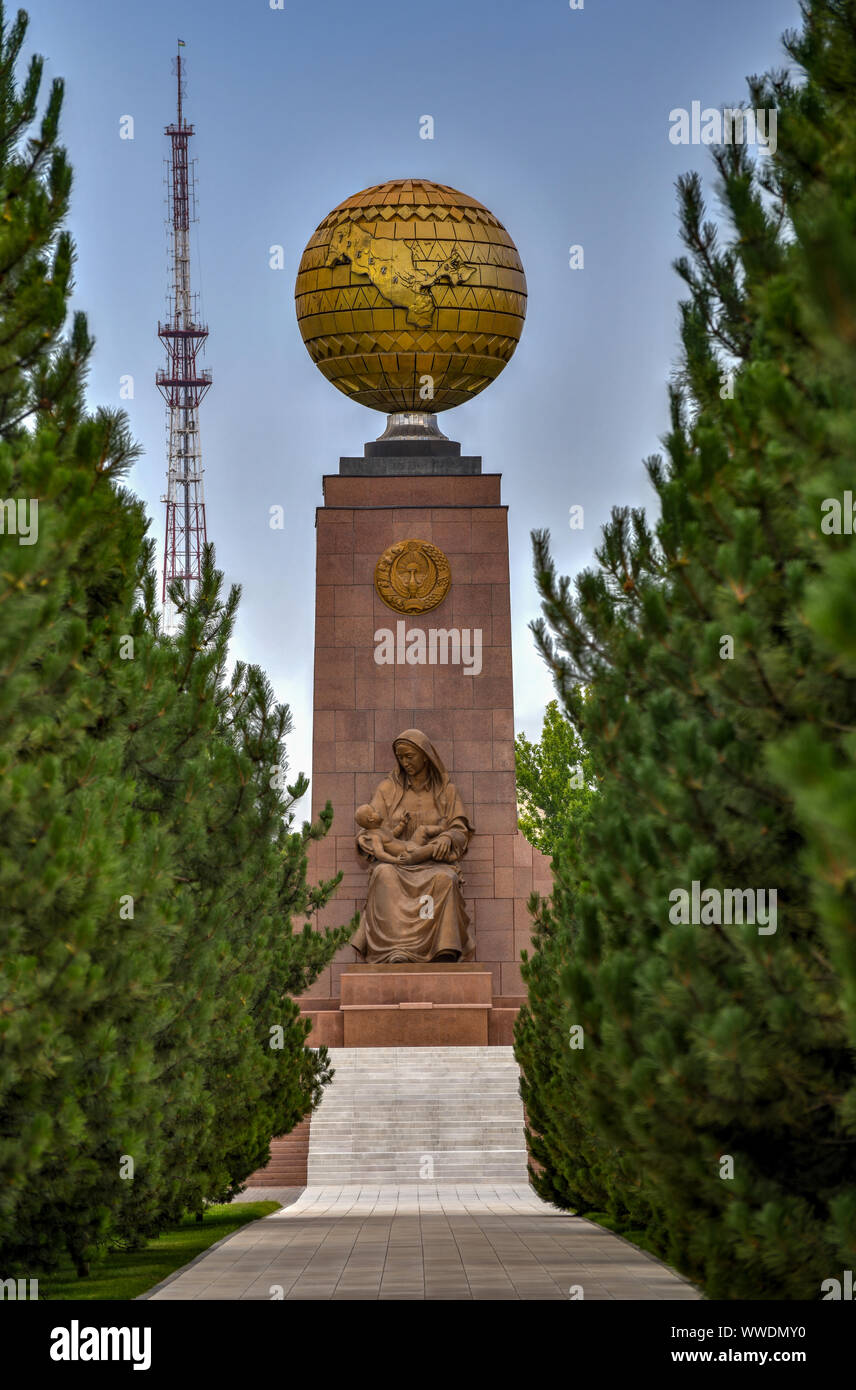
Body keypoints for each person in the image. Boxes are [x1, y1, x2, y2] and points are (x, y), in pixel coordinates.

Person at [352, 729, 475, 963]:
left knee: (445, 879)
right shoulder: (387, 790)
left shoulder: (446, 791)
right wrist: (367, 841)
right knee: (383, 874)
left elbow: (460, 830)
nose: (404, 762)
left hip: (433, 863)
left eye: (409, 756)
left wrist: (447, 839)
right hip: (398, 862)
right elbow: (368, 827)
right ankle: (393, 951)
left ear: (425, 756)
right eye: (400, 757)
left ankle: (444, 949)